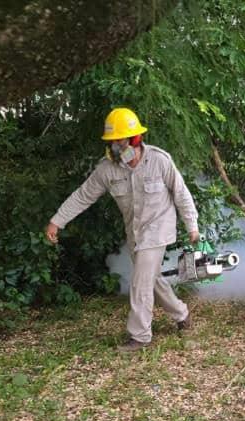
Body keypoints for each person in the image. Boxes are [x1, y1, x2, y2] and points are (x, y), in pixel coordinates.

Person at [45, 107, 200, 352]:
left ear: (135, 138)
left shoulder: (159, 160)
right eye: (113, 141)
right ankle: (181, 314)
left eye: (121, 139)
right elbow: (83, 196)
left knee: (140, 281)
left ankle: (140, 336)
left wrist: (192, 225)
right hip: (135, 232)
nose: (117, 145)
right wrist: (57, 221)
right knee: (152, 278)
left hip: (159, 228)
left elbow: (181, 193)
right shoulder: (107, 169)